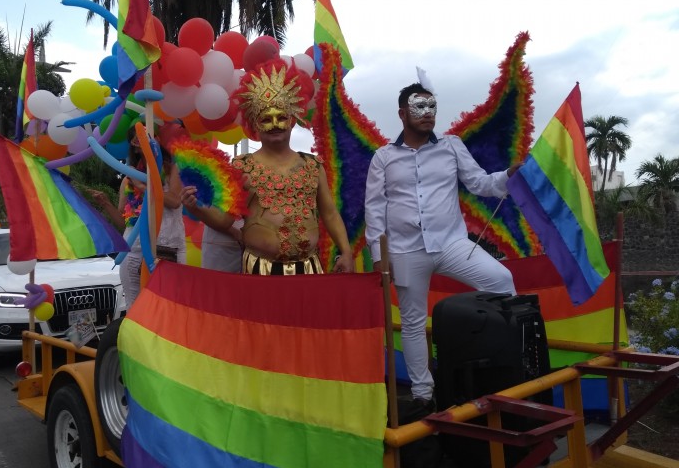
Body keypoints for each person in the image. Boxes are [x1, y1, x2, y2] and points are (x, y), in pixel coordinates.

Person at [364, 82, 519, 414]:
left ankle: (506, 372)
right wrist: (379, 257)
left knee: (502, 283)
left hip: (452, 244)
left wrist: (509, 175)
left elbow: (479, 183)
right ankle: (423, 394)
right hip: (405, 251)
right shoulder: (384, 157)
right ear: (402, 113)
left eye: (431, 107)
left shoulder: (451, 146)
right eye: (419, 107)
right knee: (413, 321)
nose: (427, 114)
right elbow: (374, 209)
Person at [182, 60, 354, 275]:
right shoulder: (242, 167)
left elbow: (329, 213)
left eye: (281, 117)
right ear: (255, 124)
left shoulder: (312, 165)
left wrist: (346, 252)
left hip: (310, 270)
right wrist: (195, 208)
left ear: (292, 120)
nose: (275, 125)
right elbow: (225, 219)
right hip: (258, 271)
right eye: (266, 119)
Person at [90, 129, 185, 309]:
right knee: (135, 306)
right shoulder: (128, 179)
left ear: (157, 139)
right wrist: (105, 203)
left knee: (169, 305)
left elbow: (174, 201)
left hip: (167, 248)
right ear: (134, 148)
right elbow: (123, 221)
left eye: (149, 136)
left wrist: (142, 186)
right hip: (133, 250)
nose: (143, 142)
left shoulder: (171, 170)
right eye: (138, 140)